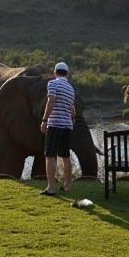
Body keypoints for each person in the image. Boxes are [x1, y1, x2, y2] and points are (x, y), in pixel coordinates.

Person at [39, 61, 76, 196]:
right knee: (65, 156)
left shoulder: (53, 83)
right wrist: (70, 121)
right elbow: (73, 110)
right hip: (67, 126)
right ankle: (67, 185)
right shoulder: (71, 89)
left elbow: (51, 101)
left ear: (55, 72)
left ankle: (51, 188)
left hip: (54, 124)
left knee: (50, 155)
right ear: (67, 74)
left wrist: (44, 120)